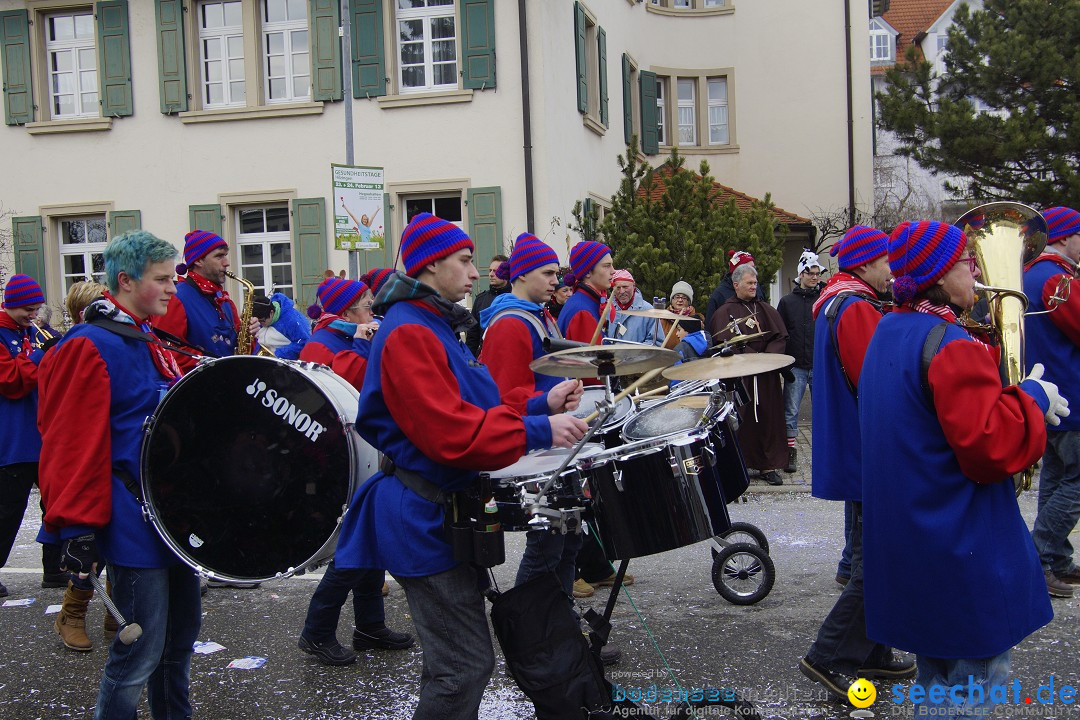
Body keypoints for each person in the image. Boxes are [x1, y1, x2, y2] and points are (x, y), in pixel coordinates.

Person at [332, 213, 588, 719]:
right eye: (465, 261)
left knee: (458, 663)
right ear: (430, 264)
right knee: (463, 667)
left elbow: (473, 409)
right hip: (420, 518)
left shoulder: (437, 324)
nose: (476, 273)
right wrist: (538, 432)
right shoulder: (410, 331)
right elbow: (450, 434)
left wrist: (541, 406)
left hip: (447, 515)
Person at [859, 220, 1066, 716]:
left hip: (914, 541)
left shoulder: (889, 330)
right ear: (937, 274)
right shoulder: (950, 344)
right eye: (963, 263)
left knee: (936, 678)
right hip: (957, 543)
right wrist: (1032, 400)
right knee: (974, 686)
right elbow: (989, 447)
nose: (975, 270)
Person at [38, 230, 204, 720]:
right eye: (162, 279)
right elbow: (70, 445)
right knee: (138, 654)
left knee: (178, 643)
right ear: (127, 281)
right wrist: (77, 529)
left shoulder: (148, 336)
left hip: (170, 518)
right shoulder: (89, 345)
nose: (174, 288)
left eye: (173, 277)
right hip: (132, 522)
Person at [798, 226, 913, 700]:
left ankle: (874, 650)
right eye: (888, 261)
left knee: (876, 556)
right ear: (866, 263)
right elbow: (877, 382)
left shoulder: (836, 300)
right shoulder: (856, 306)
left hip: (853, 446)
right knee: (876, 563)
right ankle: (830, 656)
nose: (893, 270)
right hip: (869, 449)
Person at [32, 280, 115, 651]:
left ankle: (117, 611)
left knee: (120, 545)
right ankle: (72, 613)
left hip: (113, 455)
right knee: (87, 553)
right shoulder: (63, 350)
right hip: (77, 457)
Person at [554, 242, 632, 597]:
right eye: (607, 266)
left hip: (591, 397)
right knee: (584, 487)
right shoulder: (583, 309)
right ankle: (576, 568)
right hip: (585, 402)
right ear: (587, 271)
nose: (613, 272)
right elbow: (586, 366)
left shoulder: (591, 304)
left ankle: (597, 564)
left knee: (591, 486)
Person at [1025, 206, 1080, 598]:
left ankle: (1055, 557)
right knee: (1075, 481)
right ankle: (1039, 554)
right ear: (1063, 236)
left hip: (1048, 392)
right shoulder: (1057, 278)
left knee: (1058, 476)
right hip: (1073, 390)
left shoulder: (1030, 275)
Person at [0, 274, 59, 598]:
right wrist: (39, 355)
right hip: (12, 440)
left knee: (55, 504)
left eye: (36, 308)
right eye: (27, 309)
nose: (33, 315)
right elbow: (11, 381)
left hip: (43, 434)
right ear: (10, 305)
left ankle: (54, 568)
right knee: (8, 510)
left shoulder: (34, 332)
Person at [710, 264, 789, 485]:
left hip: (765, 375)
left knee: (768, 419)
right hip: (740, 375)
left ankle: (767, 465)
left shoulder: (765, 309)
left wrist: (766, 358)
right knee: (740, 419)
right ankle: (740, 465)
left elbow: (780, 337)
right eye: (749, 283)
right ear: (736, 285)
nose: (754, 286)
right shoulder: (724, 312)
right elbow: (723, 343)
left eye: (755, 283)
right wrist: (750, 357)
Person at [153, 230, 253, 373]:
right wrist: (212, 365)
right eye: (219, 256)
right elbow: (167, 350)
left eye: (225, 255)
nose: (227, 263)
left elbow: (238, 346)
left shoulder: (223, 300)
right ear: (199, 260)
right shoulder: (176, 298)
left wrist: (249, 335)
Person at [777, 250, 824, 474]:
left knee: (823, 410)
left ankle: (824, 453)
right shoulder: (787, 303)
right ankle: (790, 452)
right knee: (791, 410)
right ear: (801, 274)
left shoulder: (824, 300)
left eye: (817, 273)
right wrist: (784, 364)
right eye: (811, 273)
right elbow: (781, 333)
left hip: (819, 364)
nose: (815, 277)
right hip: (796, 365)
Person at [705, 249, 765, 329]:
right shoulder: (720, 294)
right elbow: (711, 326)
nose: (753, 272)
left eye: (754, 268)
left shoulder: (757, 288)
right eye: (749, 268)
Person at [465, 253, 510, 357]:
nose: (491, 274)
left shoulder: (515, 299)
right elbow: (473, 336)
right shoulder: (481, 300)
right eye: (490, 270)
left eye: (495, 271)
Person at [605, 269, 658, 345]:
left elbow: (655, 342)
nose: (622, 291)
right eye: (618, 288)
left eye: (625, 287)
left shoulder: (648, 310)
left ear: (633, 286)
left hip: (637, 356)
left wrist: (635, 354)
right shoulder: (607, 308)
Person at [251, 291, 310, 359]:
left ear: (271, 312)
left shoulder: (292, 319)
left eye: (262, 321)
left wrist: (278, 354)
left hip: (283, 363)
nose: (261, 324)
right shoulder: (263, 316)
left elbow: (304, 342)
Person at [659, 280, 701, 349]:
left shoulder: (696, 321)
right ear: (672, 300)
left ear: (689, 302)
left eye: (684, 298)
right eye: (677, 297)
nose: (680, 300)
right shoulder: (662, 319)